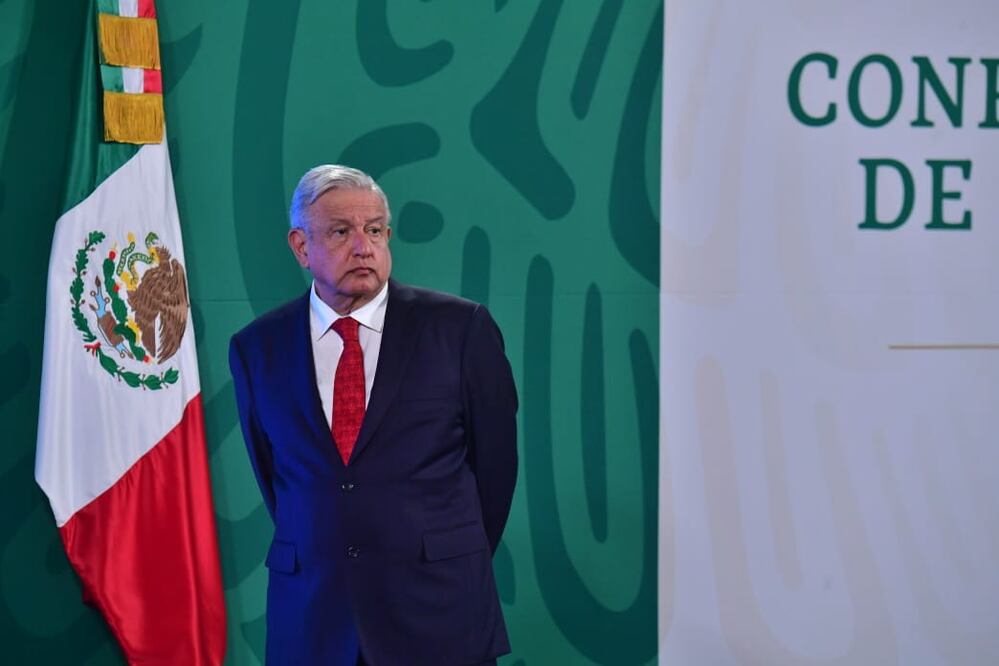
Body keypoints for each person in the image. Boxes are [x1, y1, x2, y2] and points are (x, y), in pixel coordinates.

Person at [229, 164, 518, 665]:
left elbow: (495, 473)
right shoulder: (258, 348)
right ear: (300, 246)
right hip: (312, 621)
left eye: (376, 229)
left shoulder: (460, 329)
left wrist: (436, 554)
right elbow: (278, 479)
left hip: (437, 613)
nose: (363, 247)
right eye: (341, 231)